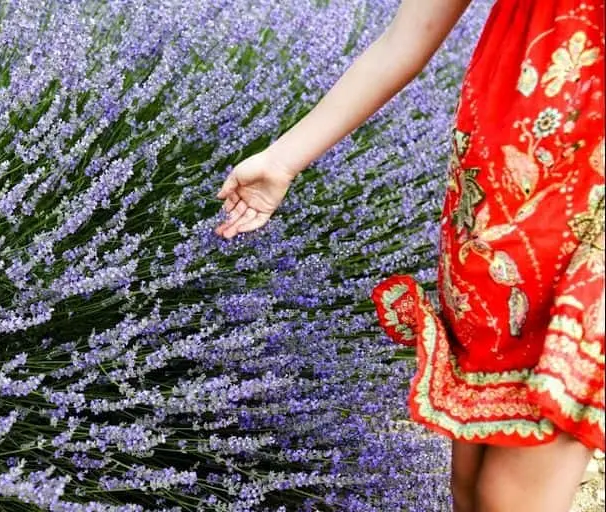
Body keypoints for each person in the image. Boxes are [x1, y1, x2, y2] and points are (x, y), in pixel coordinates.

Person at [214, 1, 605, 511]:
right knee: (470, 484)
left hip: (590, 208)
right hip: (495, 209)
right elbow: (405, 39)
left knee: (507, 493)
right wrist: (283, 159)